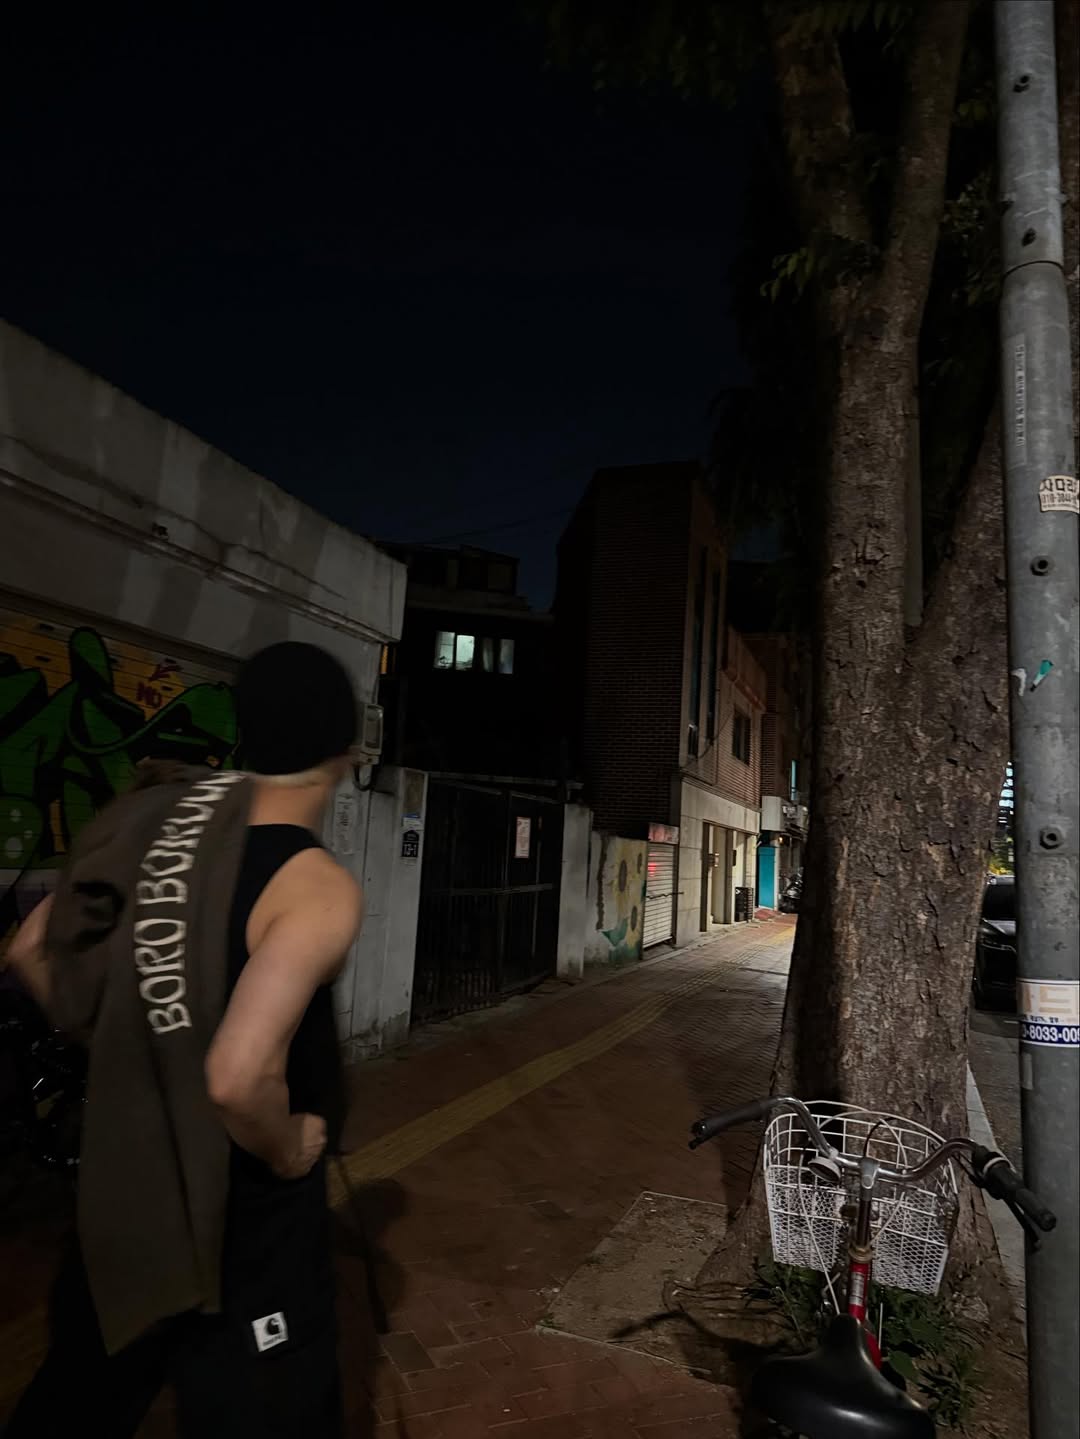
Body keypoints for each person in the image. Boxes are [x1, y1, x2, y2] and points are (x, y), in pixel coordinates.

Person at [3, 641, 365, 1438]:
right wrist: (289, 1146)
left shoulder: (167, 830)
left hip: (128, 1181)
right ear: (345, 753)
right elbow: (237, 1076)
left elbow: (30, 947)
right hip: (244, 1219)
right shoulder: (313, 884)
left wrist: (124, 1044)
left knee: (77, 1401)